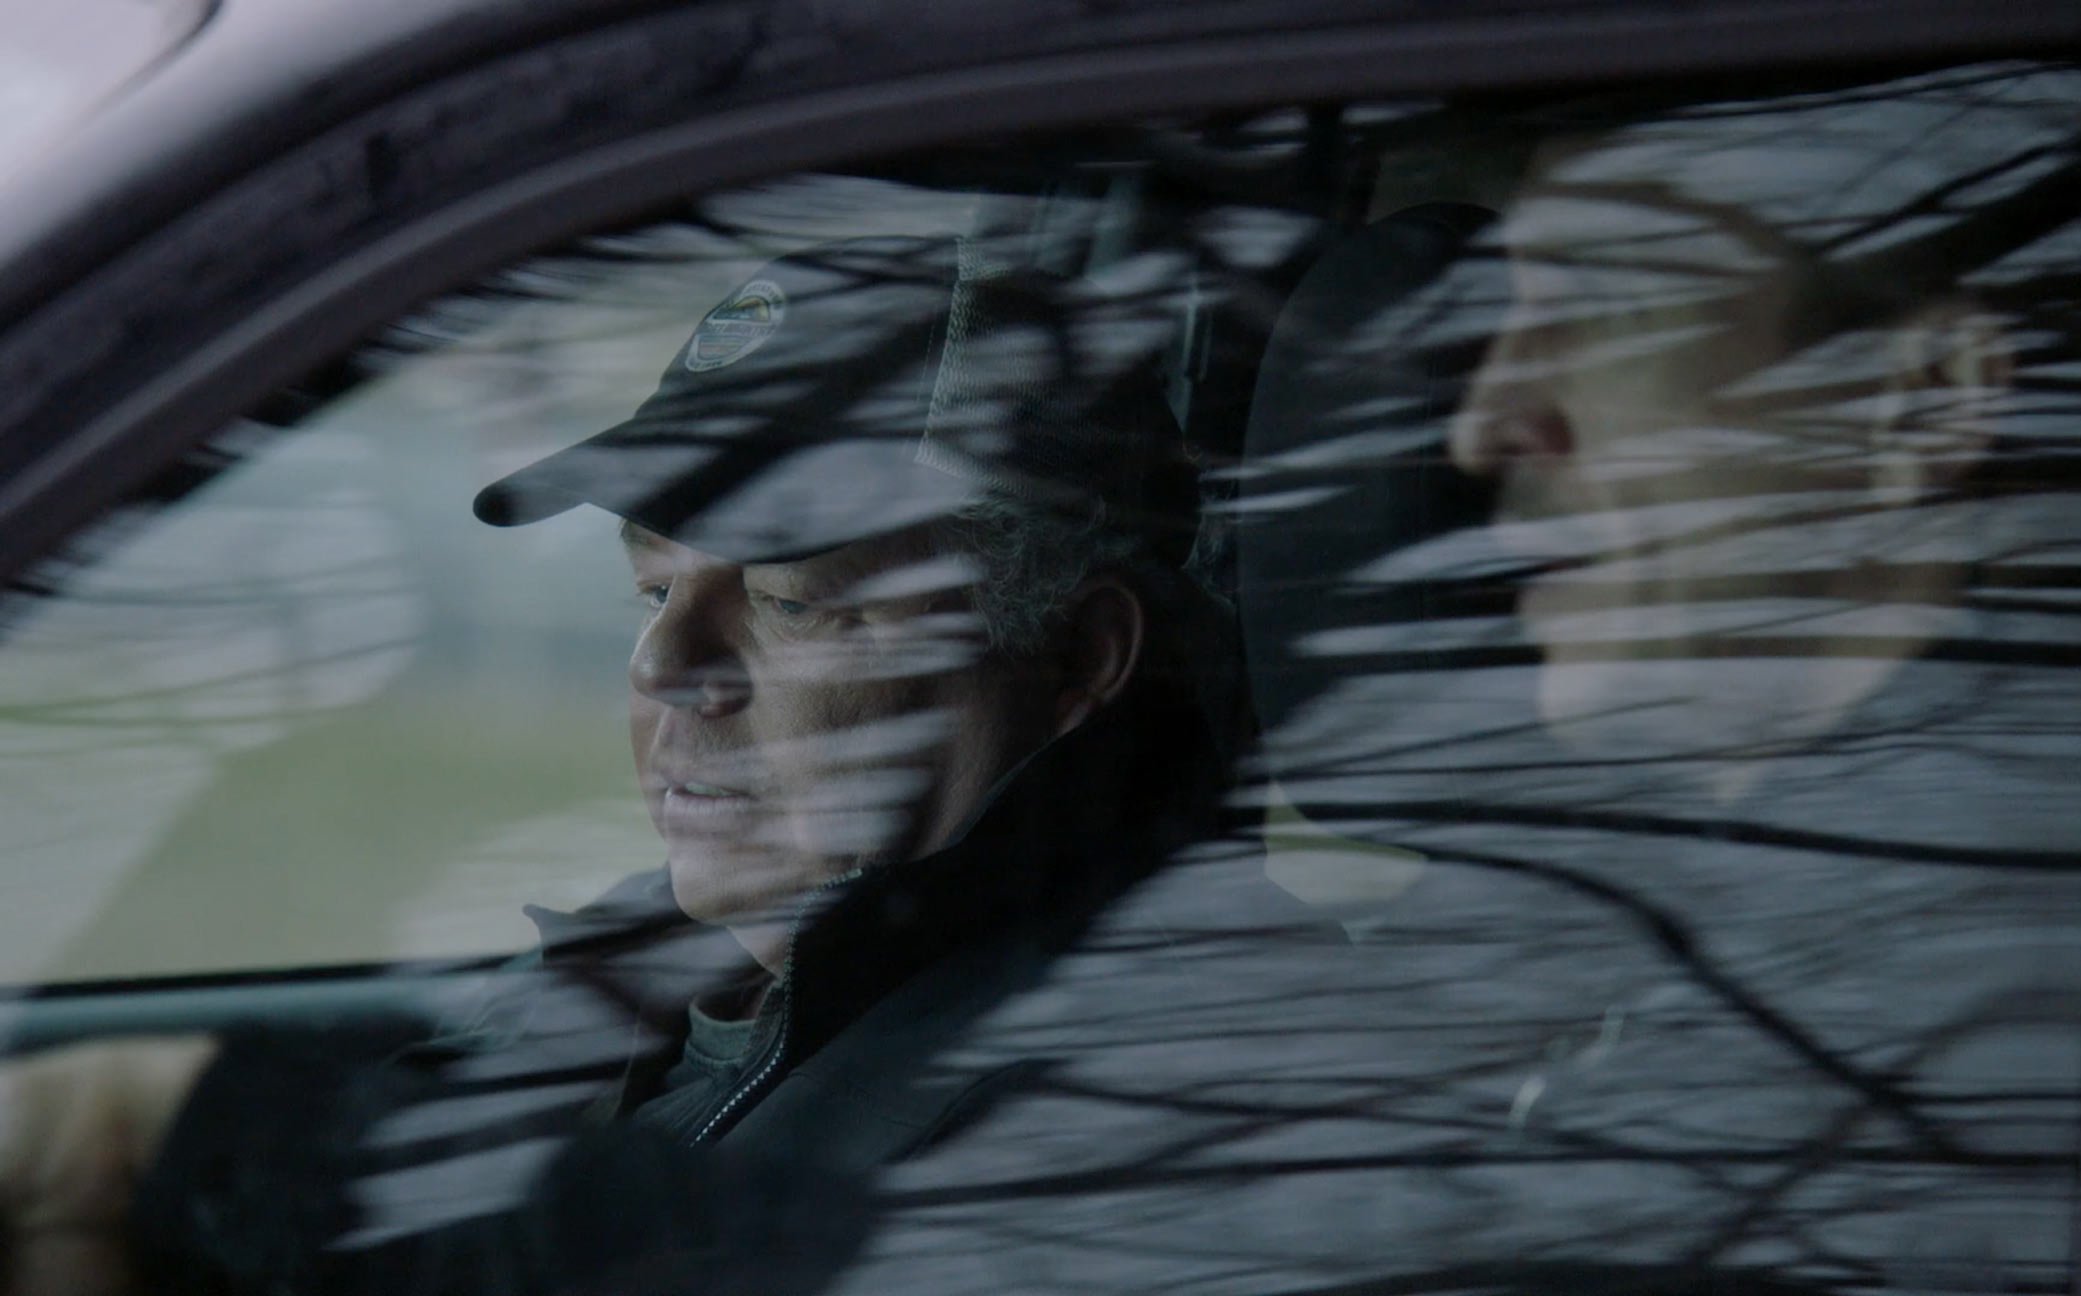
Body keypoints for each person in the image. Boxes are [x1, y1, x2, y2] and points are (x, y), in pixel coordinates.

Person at [0, 235, 1241, 1295]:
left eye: (791, 600)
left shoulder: (1162, 1077)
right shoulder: (664, 968)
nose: (663, 664)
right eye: (652, 585)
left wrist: (193, 1144)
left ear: (1075, 655)